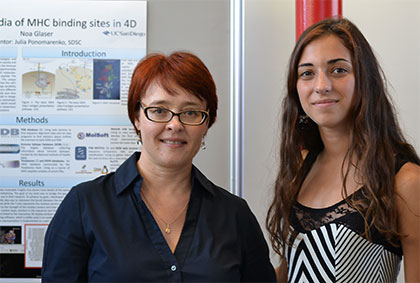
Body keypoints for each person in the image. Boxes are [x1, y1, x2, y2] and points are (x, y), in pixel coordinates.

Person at [42, 51, 276, 282]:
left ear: (207, 124)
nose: (175, 124)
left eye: (191, 112)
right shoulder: (85, 206)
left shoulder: (235, 215)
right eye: (159, 110)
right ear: (136, 117)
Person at [266, 18, 420, 283]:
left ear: (365, 79)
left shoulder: (405, 181)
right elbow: (289, 272)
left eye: (338, 70)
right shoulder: (300, 168)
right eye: (307, 73)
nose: (322, 85)